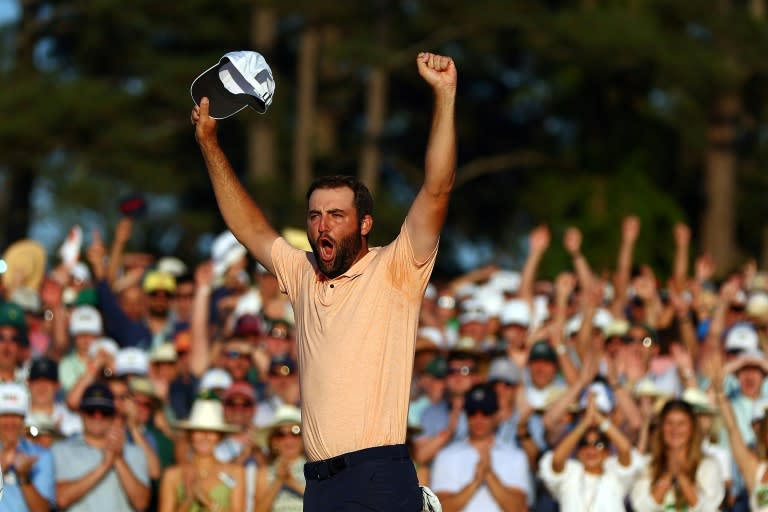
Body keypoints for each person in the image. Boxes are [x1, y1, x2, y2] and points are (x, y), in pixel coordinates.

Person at [191, 51, 456, 512]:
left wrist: (445, 96)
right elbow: (249, 228)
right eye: (315, 216)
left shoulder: (396, 268)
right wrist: (210, 142)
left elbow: (437, 188)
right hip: (319, 485)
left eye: (336, 215)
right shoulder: (302, 273)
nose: (322, 226)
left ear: (366, 224)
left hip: (378, 474)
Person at [430, 383, 530, 511]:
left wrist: (489, 474)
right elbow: (441, 509)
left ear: (496, 414)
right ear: (465, 414)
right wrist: (475, 482)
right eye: (472, 412)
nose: (478, 419)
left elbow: (518, 508)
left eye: (486, 412)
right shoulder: (446, 456)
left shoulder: (515, 456)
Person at [52, 381, 151, 511]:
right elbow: (60, 499)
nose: (97, 416)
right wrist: (104, 466)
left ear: (113, 414)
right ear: (81, 413)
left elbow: (141, 502)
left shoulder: (134, 453)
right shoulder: (60, 451)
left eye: (104, 412)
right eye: (91, 411)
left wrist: (119, 459)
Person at [538, 392, 640, 512]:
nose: (591, 450)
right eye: (584, 444)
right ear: (577, 450)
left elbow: (625, 449)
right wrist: (585, 423)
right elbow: (556, 460)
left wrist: (598, 418)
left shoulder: (614, 473)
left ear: (607, 451)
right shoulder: (570, 473)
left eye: (599, 444)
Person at [630, 399, 725, 511]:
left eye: (681, 424)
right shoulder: (648, 464)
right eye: (669, 423)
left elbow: (708, 508)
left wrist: (681, 477)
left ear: (692, 429)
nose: (674, 429)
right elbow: (641, 507)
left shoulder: (708, 465)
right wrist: (667, 477)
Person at [159, 398, 245, 512]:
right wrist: (188, 500)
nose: (205, 436)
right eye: (199, 430)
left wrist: (207, 501)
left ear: (220, 436)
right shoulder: (173, 475)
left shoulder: (235, 472)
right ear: (190, 435)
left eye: (211, 431)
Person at [0, 382, 56, 512]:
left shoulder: (41, 455)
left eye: (16, 415)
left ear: (24, 418)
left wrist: (24, 477)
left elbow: (42, 510)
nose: (10, 423)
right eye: (4, 415)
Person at [253, 404, 306, 512]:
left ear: (303, 438)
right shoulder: (264, 473)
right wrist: (278, 481)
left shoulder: (315, 468)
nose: (288, 439)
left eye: (295, 432)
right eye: (281, 434)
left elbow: (327, 503)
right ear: (273, 442)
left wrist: (292, 482)